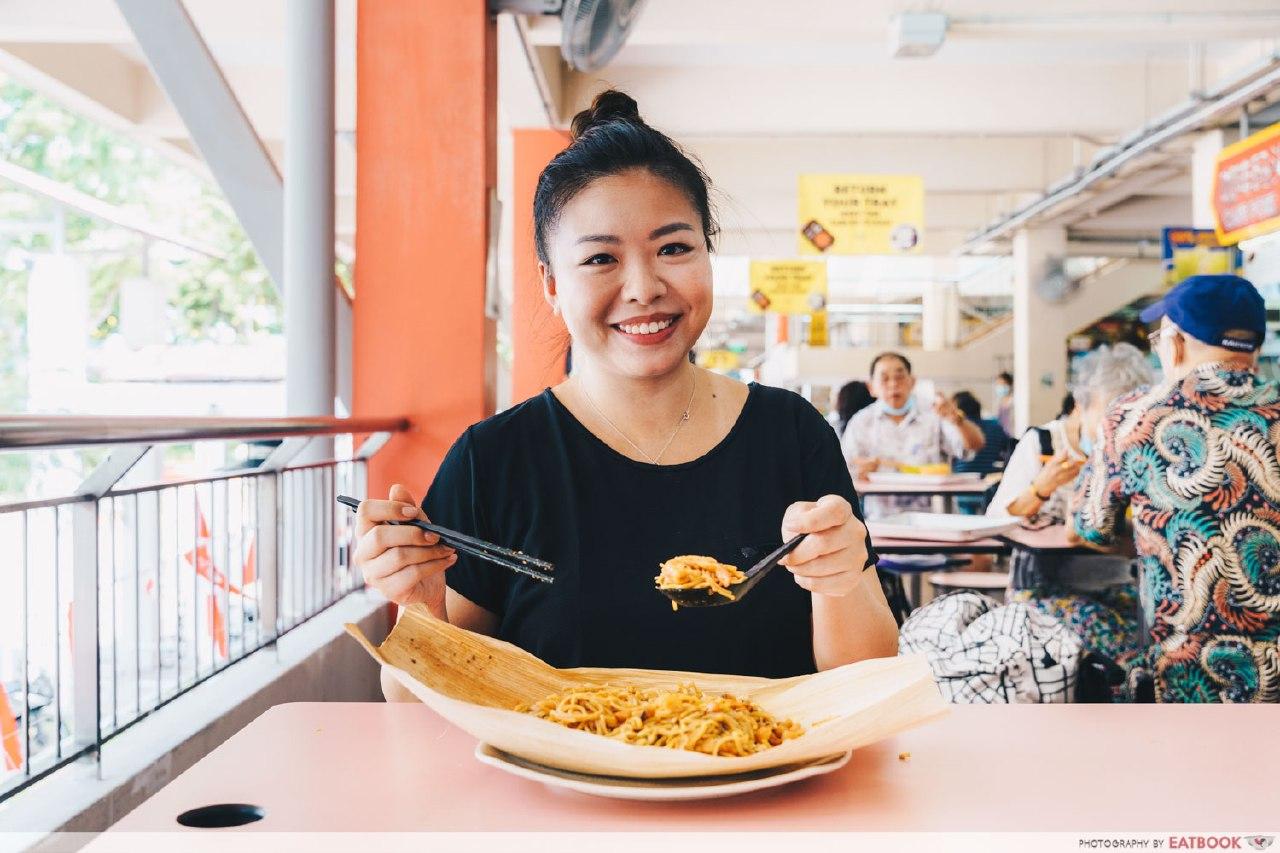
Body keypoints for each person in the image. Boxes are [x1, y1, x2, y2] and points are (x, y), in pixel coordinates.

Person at [353, 90, 898, 701]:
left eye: (673, 248)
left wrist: (841, 577)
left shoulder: (790, 432)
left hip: (770, 787)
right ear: (551, 283)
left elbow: (865, 682)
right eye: (600, 258)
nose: (643, 288)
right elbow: (415, 705)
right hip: (560, 793)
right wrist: (419, 601)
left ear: (708, 256)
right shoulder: (496, 458)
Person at [1072, 274, 1279, 703]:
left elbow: (1091, 527)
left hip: (1180, 674)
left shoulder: (1132, 416)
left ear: (1176, 342)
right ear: (1255, 345)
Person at [988, 344, 1154, 689]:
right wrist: (1041, 488)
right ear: (1081, 406)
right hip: (1040, 589)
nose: (1119, 427)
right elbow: (996, 521)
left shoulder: (1133, 452)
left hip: (1115, 585)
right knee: (1130, 652)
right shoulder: (1043, 443)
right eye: (1109, 415)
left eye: (1129, 416)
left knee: (1156, 639)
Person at [841, 352, 985, 518]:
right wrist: (858, 471)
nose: (893, 384)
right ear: (871, 387)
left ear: (912, 381)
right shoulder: (861, 422)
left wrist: (957, 420)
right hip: (881, 522)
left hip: (935, 520)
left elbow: (973, 446)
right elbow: (843, 473)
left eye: (900, 377)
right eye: (885, 378)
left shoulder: (934, 414)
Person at [951, 390, 1008, 477]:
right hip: (988, 480)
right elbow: (1008, 448)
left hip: (961, 480)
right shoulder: (995, 426)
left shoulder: (956, 430)